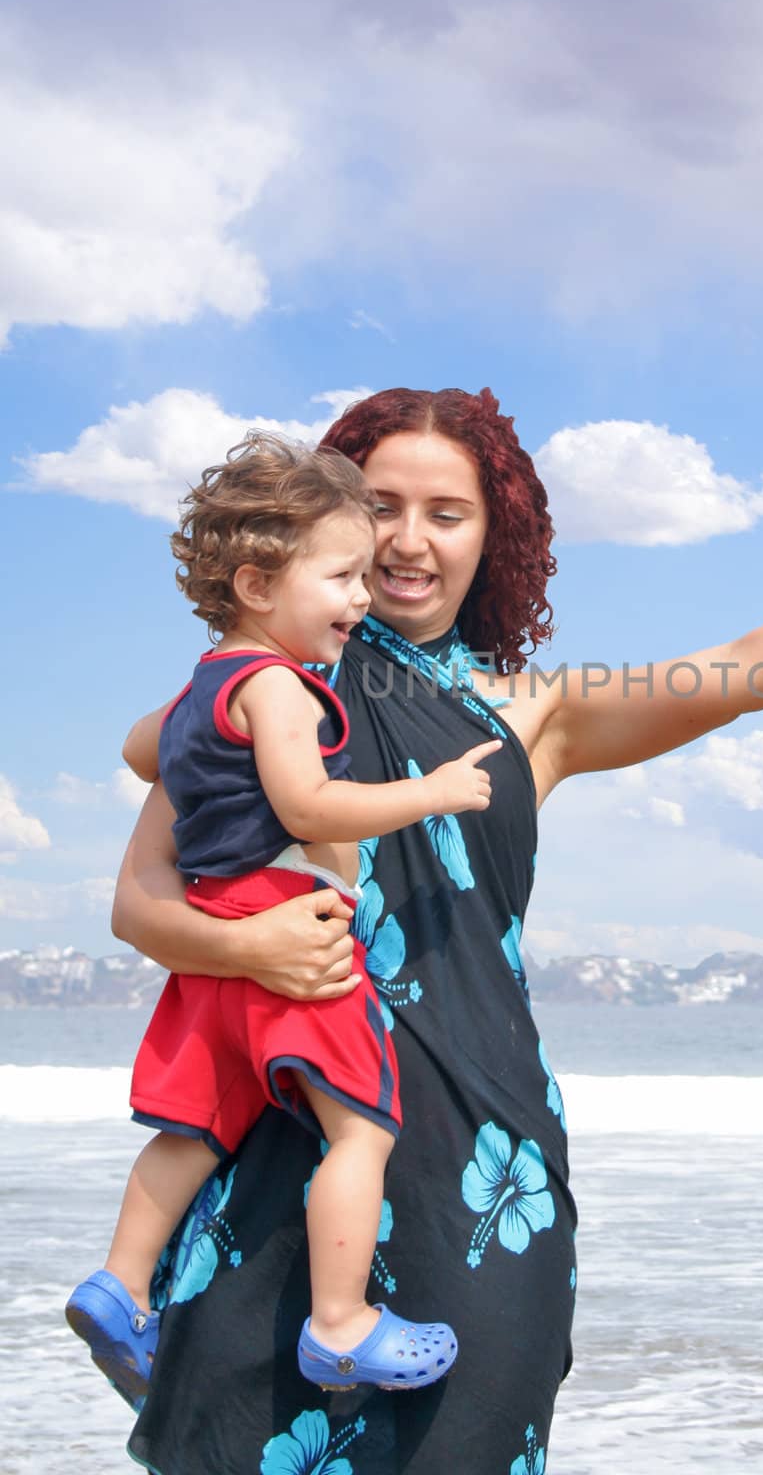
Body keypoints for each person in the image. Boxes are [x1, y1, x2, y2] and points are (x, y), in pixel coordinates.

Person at [109, 387, 763, 1474]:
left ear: (496, 535)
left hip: (486, 1173)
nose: (409, 539)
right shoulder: (262, 694)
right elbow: (139, 902)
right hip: (290, 1138)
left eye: (449, 511)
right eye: (381, 505)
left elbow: (747, 667)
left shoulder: (532, 712)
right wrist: (245, 948)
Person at [67, 433, 504, 1410]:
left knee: (192, 1129)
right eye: (341, 575)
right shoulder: (278, 686)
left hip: (209, 943)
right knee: (361, 1130)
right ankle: (342, 1323)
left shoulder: (205, 684)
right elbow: (308, 809)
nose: (360, 596)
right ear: (259, 584)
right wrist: (426, 789)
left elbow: (142, 750)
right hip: (286, 922)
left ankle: (118, 1283)